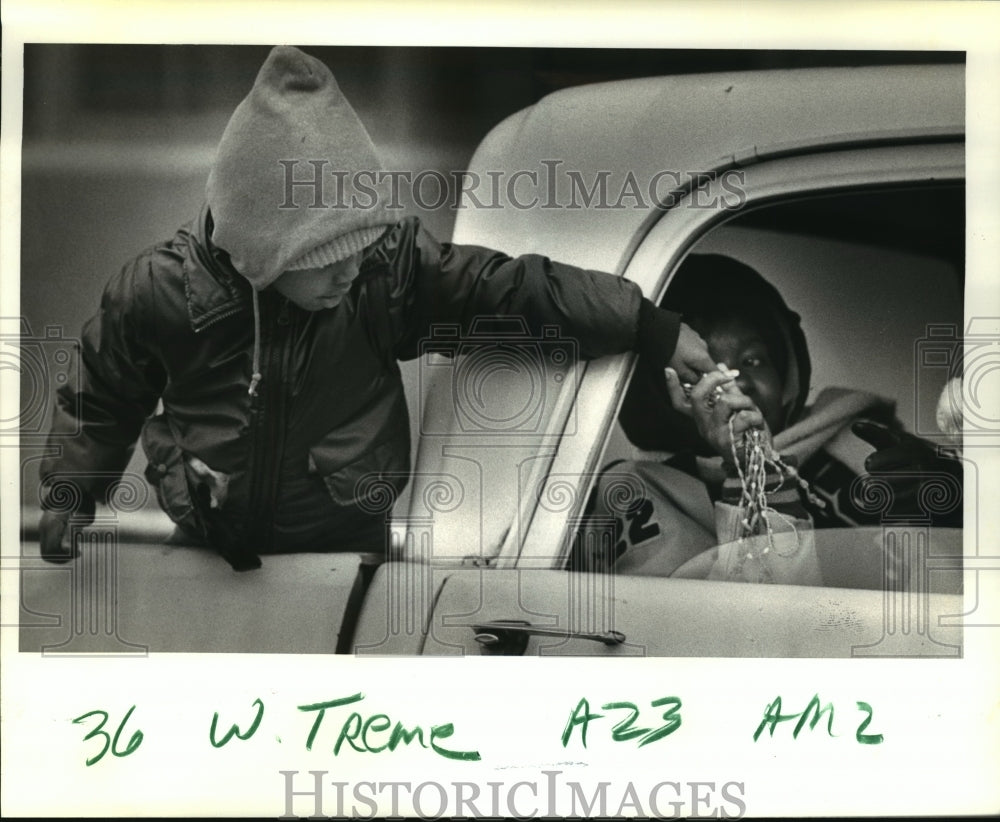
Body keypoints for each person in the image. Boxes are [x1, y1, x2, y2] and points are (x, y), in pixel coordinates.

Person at [38, 46, 717, 571]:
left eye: (363, 248)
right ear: (262, 253)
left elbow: (504, 290)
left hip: (346, 549)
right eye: (329, 259)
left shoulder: (383, 277)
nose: (352, 269)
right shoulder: (158, 296)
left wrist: (648, 324)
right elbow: (101, 395)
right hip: (208, 545)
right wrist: (73, 489)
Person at [573, 253, 963, 581]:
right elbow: (737, 633)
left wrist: (966, 504)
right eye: (706, 367)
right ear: (661, 389)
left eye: (752, 359)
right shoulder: (635, 492)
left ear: (786, 372)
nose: (736, 382)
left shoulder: (862, 439)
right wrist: (753, 469)